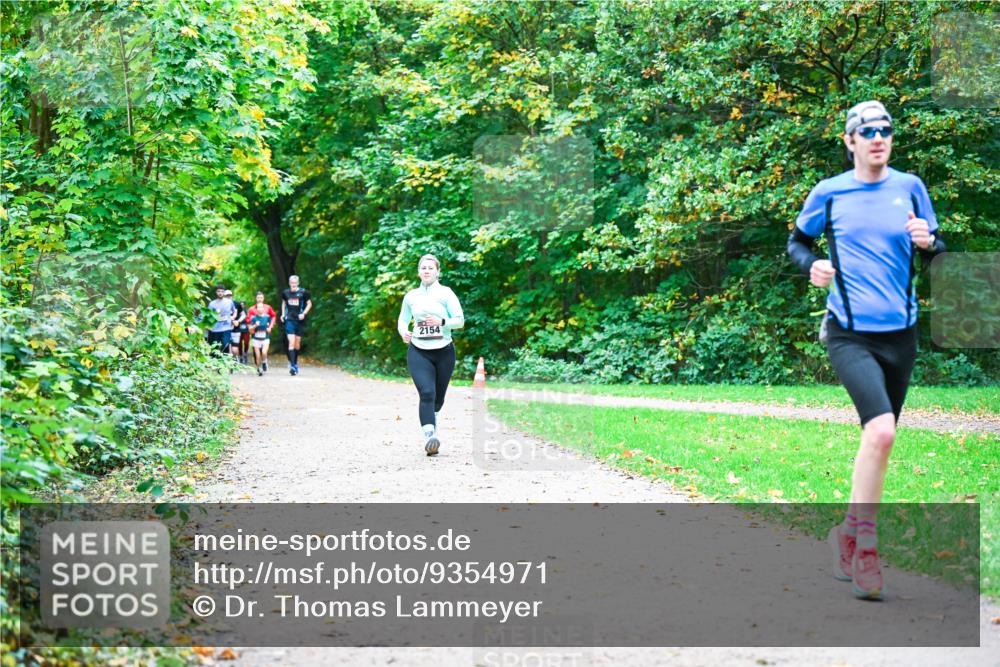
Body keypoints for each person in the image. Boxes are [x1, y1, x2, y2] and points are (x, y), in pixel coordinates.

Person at [787, 101, 945, 600]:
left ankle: (846, 535)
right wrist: (811, 265)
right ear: (850, 141)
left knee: (878, 440)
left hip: (902, 335)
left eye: (886, 131)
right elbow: (796, 242)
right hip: (848, 332)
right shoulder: (830, 193)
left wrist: (931, 242)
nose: (878, 137)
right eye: (867, 131)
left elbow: (938, 250)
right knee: (881, 431)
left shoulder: (910, 188)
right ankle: (867, 552)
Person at [397, 254, 465, 456]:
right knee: (426, 393)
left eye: (430, 268)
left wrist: (441, 323)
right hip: (418, 350)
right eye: (423, 268)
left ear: (437, 272)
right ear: (419, 272)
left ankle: (432, 424)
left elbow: (460, 320)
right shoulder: (411, 296)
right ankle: (429, 437)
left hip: (444, 351)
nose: (426, 271)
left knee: (438, 400)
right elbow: (402, 320)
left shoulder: (446, 293)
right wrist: (404, 332)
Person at [281, 275, 312, 375]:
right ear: (289, 283)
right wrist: (283, 314)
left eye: (295, 283)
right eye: (292, 283)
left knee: (297, 344)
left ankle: (295, 362)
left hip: (300, 320)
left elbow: (309, 304)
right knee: (291, 342)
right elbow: (283, 303)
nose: (293, 285)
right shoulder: (285, 293)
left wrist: (304, 313)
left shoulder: (303, 292)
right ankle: (293, 366)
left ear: (298, 283)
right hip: (290, 319)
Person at [247, 291, 278, 373]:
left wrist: (270, 326)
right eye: (258, 298)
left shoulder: (268, 308)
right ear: (256, 299)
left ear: (263, 298)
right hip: (255, 335)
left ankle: (264, 362)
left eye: (261, 297)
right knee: (256, 354)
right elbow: (248, 321)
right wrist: (252, 328)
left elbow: (273, 316)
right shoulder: (251, 309)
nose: (260, 299)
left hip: (265, 335)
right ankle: (258, 367)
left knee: (264, 352)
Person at [206, 286, 236, 356]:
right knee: (214, 348)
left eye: (222, 291)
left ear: (224, 293)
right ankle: (215, 364)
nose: (220, 293)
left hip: (226, 328)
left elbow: (234, 311)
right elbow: (209, 316)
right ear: (216, 292)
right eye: (219, 291)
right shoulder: (212, 304)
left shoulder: (229, 302)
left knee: (225, 345)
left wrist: (233, 318)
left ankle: (225, 363)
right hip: (215, 329)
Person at [227, 291, 248, 363]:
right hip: (224, 329)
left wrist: (238, 321)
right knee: (227, 347)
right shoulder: (220, 305)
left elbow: (244, 315)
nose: (229, 297)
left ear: (232, 296)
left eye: (230, 295)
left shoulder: (237, 304)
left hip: (236, 329)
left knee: (234, 349)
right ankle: (229, 363)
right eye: (227, 295)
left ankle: (235, 358)